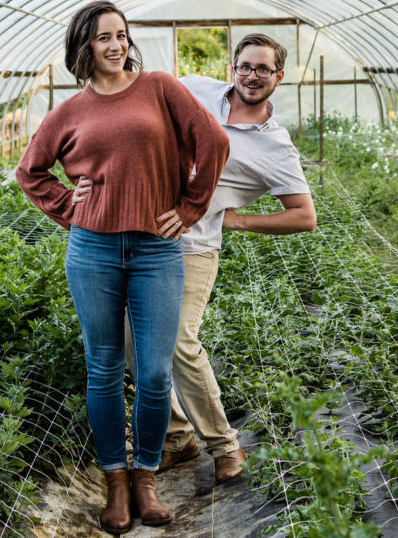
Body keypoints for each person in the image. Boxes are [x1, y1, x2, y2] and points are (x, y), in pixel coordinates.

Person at [16, 0, 229, 535]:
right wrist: (69, 207)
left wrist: (189, 208)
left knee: (155, 374)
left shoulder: (159, 87)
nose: (115, 45)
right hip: (92, 251)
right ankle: (115, 477)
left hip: (157, 250)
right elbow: (31, 171)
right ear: (83, 47)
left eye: (121, 35)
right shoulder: (69, 112)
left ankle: (146, 474)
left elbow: (214, 141)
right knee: (105, 369)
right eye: (103, 38)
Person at [158, 33, 316, 484]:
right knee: (134, 344)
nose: (251, 76)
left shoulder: (275, 147)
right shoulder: (195, 89)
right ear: (233, 66)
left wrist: (239, 221)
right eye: (245, 66)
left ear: (278, 77)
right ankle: (176, 437)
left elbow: (304, 216)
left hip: (194, 247)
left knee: (179, 343)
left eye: (263, 69)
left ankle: (225, 447)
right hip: (144, 236)